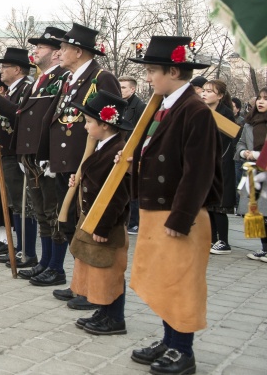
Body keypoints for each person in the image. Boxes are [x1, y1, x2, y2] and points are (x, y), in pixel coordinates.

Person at [126, 35, 221, 375]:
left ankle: (183, 350)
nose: (148, 78)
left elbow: (199, 172)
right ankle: (169, 340)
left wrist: (181, 217)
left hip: (180, 213)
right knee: (164, 281)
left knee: (181, 283)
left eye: (152, 71)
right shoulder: (165, 106)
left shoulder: (195, 110)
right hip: (158, 208)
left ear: (174, 71)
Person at [34, 23, 121, 289]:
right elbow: (55, 119)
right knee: (68, 223)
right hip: (65, 163)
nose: (58, 53)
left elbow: (111, 126)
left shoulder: (101, 78)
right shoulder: (71, 79)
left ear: (79, 52)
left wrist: (96, 162)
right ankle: (78, 284)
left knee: (83, 225)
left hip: (85, 164)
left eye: (63, 48)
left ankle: (87, 288)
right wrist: (46, 154)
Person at [0, 28, 66, 289]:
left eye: (41, 47)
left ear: (56, 52)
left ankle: (55, 266)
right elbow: (24, 116)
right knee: (40, 211)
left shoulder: (61, 78)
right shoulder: (40, 80)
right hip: (31, 156)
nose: (35, 51)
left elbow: (56, 120)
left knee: (52, 213)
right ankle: (45, 262)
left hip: (46, 157)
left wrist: (51, 154)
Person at [67, 91, 132, 336]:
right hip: (93, 218)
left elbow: (118, 193)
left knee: (109, 270)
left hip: (108, 223)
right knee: (97, 268)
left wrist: (103, 226)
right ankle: (104, 311)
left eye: (88, 122)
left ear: (104, 124)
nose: (85, 126)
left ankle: (115, 318)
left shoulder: (118, 151)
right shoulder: (104, 146)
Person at [0, 48, 36, 268]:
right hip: (4, 153)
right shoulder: (13, 90)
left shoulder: (26, 88)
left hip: (14, 154)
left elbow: (20, 115)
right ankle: (19, 247)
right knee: (14, 204)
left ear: (17, 69)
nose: (1, 70)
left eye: (5, 67)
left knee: (23, 205)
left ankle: (28, 251)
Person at [202, 79, 238, 255]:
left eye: (210, 91)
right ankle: (212, 238)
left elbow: (224, 142)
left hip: (221, 164)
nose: (204, 93)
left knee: (219, 205)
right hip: (205, 163)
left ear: (220, 96)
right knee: (208, 205)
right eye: (204, 90)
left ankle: (223, 241)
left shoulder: (225, 114)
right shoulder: (202, 111)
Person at [236, 87, 267, 262]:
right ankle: (264, 248)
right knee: (257, 212)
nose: (261, 101)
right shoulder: (250, 122)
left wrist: (256, 155)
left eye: (266, 98)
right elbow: (240, 143)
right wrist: (243, 152)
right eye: (260, 98)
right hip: (253, 170)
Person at [119, 75, 147, 236]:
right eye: (119, 87)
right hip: (120, 150)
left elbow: (141, 132)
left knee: (133, 188)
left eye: (123, 87)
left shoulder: (140, 107)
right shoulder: (119, 104)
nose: (120, 90)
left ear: (133, 89)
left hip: (133, 152)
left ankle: (134, 222)